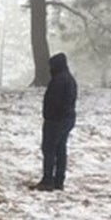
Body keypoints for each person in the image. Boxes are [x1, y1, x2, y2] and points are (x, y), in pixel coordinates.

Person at [33, 52, 77, 191]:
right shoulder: (69, 79)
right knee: (61, 149)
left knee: (49, 149)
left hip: (55, 120)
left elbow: (54, 102)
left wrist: (49, 116)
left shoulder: (58, 80)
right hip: (67, 119)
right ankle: (59, 180)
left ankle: (47, 180)